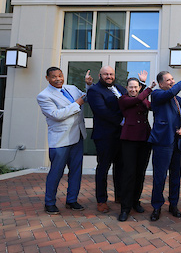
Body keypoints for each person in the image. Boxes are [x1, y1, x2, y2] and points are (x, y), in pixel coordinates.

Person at [86, 66, 146, 213]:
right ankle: (101, 200)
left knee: (121, 168)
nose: (109, 76)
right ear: (100, 75)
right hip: (105, 136)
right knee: (103, 169)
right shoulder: (94, 91)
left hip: (123, 136)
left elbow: (134, 98)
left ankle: (120, 196)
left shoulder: (119, 87)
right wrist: (123, 121)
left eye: (111, 74)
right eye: (106, 74)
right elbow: (102, 112)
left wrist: (142, 85)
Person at [37, 67, 92, 215]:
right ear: (47, 78)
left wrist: (88, 85)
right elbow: (56, 115)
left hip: (77, 136)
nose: (58, 79)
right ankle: (49, 202)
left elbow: (86, 97)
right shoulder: (44, 96)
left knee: (76, 171)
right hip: (60, 140)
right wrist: (77, 104)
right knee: (56, 172)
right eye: (54, 77)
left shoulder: (71, 88)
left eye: (60, 76)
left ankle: (72, 200)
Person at [148, 71, 181, 221]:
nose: (172, 82)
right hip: (162, 142)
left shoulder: (179, 100)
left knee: (175, 176)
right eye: (168, 80)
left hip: (178, 143)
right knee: (159, 177)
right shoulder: (157, 95)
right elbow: (171, 92)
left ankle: (173, 204)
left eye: (173, 79)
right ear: (161, 84)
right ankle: (156, 207)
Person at [117, 76, 156, 222]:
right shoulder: (123, 99)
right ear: (127, 88)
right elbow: (137, 100)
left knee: (140, 172)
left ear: (139, 88)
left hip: (145, 139)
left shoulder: (143, 98)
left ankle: (135, 202)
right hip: (129, 140)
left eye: (136, 87)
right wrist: (149, 88)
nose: (133, 89)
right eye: (130, 87)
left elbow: (151, 105)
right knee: (129, 173)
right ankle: (125, 208)